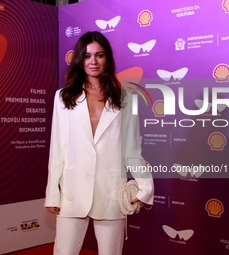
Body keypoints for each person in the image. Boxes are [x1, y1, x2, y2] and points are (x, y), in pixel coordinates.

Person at [45, 31, 154, 255]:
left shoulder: (125, 99)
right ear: (79, 60)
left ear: (107, 58)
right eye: (86, 56)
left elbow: (132, 150)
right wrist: (52, 194)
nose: (93, 62)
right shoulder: (63, 97)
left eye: (99, 55)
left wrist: (145, 187)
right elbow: (57, 149)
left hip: (111, 192)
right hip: (72, 192)